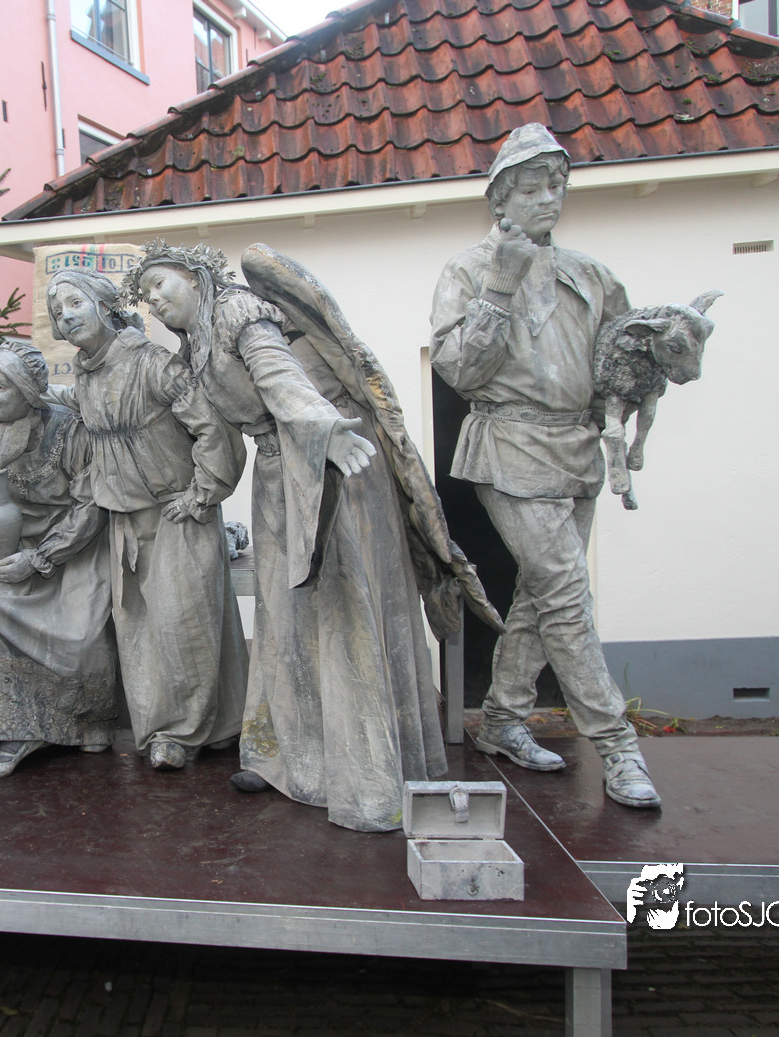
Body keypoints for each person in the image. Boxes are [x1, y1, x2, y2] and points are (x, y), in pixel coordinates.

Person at [128, 241, 454, 832]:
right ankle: (287, 757)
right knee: (284, 611)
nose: (153, 299)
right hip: (277, 468)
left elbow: (281, 376)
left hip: (332, 461)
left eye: (159, 283)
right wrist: (201, 492)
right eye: (145, 295)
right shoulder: (195, 349)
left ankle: (366, 772)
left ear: (195, 276)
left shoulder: (238, 311)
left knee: (342, 607)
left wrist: (325, 429)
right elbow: (213, 434)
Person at [429, 122, 661, 809]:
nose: (546, 199)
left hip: (577, 450)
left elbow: (617, 363)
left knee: (539, 592)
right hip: (508, 446)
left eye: (555, 185)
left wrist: (656, 356)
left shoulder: (591, 275)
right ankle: (617, 744)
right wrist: (500, 286)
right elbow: (461, 369)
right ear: (500, 198)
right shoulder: (468, 270)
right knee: (565, 593)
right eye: (530, 188)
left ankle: (502, 718)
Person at [46, 267, 248, 770]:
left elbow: (213, 427)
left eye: (74, 303)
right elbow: (80, 408)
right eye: (57, 311)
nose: (66, 316)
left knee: (186, 627)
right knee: (141, 632)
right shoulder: (87, 375)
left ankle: (185, 732)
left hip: (175, 515)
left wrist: (203, 493)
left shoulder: (153, 364)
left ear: (103, 305)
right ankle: (186, 728)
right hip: (124, 519)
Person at [0, 340, 118, 778]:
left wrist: (41, 557)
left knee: (79, 635)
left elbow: (91, 506)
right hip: (11, 545)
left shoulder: (70, 430)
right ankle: (13, 727)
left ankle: (86, 723)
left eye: (0, 386)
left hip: (75, 545)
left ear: (27, 391)